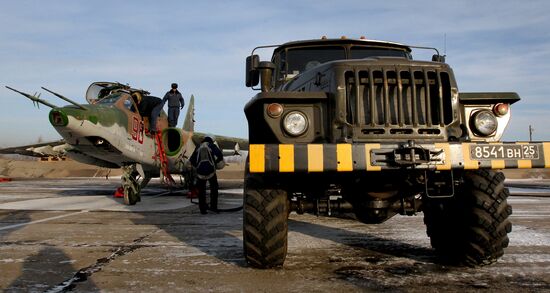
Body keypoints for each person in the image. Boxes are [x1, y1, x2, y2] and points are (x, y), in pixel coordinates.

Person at [190, 136, 224, 214]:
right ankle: (213, 207)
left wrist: (198, 167)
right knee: (214, 190)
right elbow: (220, 155)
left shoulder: (198, 147)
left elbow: (192, 160)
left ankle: (202, 210)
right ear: (211, 140)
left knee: (201, 192)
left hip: (200, 174)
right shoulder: (211, 146)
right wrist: (215, 164)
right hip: (211, 173)